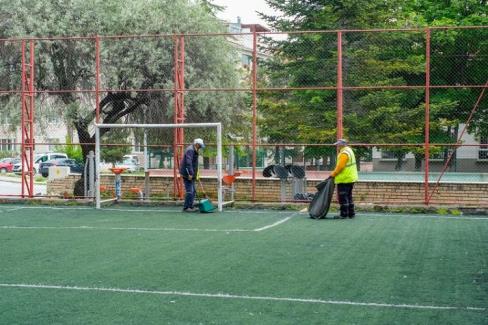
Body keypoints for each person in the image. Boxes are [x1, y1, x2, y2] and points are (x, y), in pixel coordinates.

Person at [329, 139, 358, 219]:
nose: (337, 146)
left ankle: (344, 214)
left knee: (343, 196)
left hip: (345, 178)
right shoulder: (349, 150)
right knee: (349, 196)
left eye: (338, 145)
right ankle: (351, 213)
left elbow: (340, 167)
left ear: (342, 145)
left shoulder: (344, 153)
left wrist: (333, 174)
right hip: (350, 177)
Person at [180, 138, 205, 212]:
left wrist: (196, 174)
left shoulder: (195, 150)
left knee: (193, 191)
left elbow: (194, 164)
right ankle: (186, 207)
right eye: (200, 145)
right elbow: (188, 163)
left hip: (192, 173)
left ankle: (191, 206)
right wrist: (190, 174)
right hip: (187, 174)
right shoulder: (190, 150)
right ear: (197, 144)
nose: (201, 147)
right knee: (190, 191)